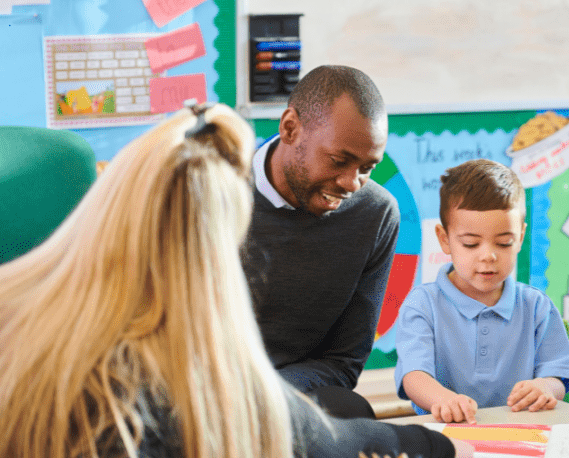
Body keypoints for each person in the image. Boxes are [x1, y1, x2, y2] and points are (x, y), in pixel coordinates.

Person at [0, 103, 471, 458]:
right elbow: (312, 435)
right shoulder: (166, 390)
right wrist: (438, 446)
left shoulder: (18, 308)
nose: (352, 182)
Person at [242, 65, 396, 419]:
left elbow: (343, 361)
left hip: (289, 400)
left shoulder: (375, 214)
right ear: (290, 128)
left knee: (351, 410)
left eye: (367, 168)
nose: (352, 183)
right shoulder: (209, 196)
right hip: (200, 396)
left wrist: (262, 397)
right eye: (339, 161)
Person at [394, 159, 569, 424]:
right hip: (449, 432)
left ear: (520, 238)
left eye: (504, 243)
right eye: (471, 244)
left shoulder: (536, 306)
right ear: (444, 239)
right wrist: (443, 399)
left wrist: (545, 387)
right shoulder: (423, 304)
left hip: (522, 432)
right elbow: (413, 376)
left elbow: (558, 375)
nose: (488, 256)